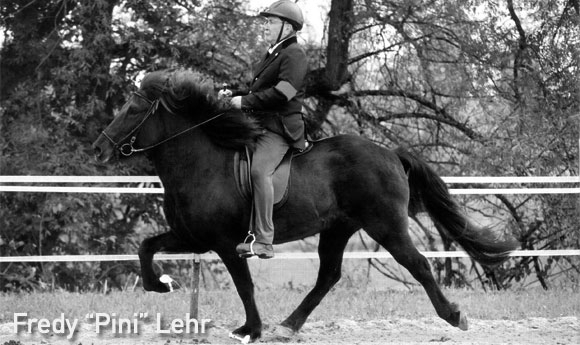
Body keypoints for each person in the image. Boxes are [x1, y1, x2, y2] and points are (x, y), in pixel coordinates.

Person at [228, 0, 308, 259]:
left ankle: (263, 240)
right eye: (265, 21)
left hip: (280, 128)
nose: (265, 26)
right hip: (260, 125)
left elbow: (283, 94)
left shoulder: (294, 54)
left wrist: (244, 102)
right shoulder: (271, 55)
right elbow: (259, 92)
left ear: (288, 28)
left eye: (271, 22)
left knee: (259, 170)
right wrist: (235, 96)